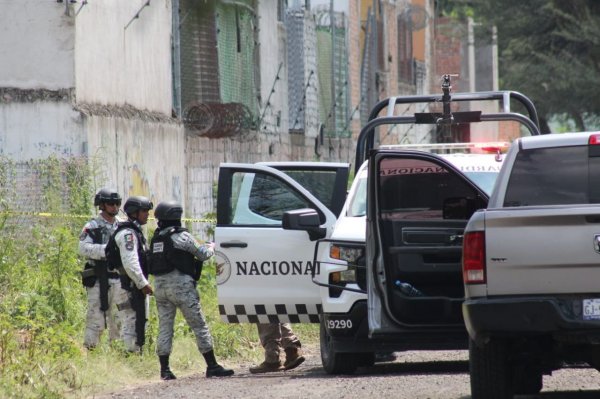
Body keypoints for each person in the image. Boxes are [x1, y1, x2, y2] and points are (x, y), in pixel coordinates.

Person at [149, 200, 234, 379]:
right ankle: (212, 366)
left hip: (160, 287)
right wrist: (212, 246)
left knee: (165, 327)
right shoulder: (181, 236)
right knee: (199, 324)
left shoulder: (157, 238)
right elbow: (202, 254)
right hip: (181, 287)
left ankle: (165, 370)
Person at [105, 195, 154, 353]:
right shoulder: (128, 234)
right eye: (144, 211)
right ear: (134, 212)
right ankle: (130, 356)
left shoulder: (135, 231)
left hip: (132, 284)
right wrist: (143, 283)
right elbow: (130, 262)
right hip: (128, 286)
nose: (147, 214)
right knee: (130, 321)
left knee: (138, 320)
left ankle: (135, 353)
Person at [79, 188, 124, 350]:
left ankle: (119, 355)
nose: (114, 207)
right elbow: (83, 248)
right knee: (95, 319)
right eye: (111, 204)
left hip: (119, 280)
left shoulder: (123, 225)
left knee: (119, 319)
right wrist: (106, 251)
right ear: (102, 205)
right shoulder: (92, 226)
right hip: (98, 280)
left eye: (117, 203)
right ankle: (92, 354)